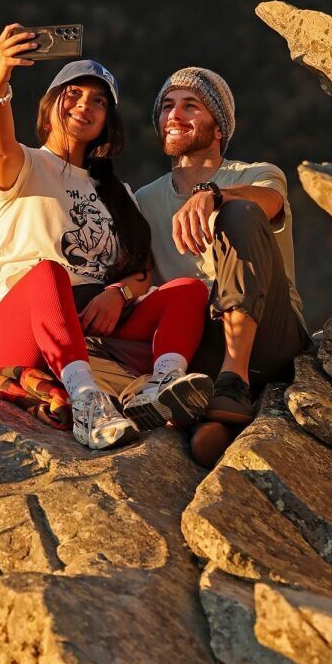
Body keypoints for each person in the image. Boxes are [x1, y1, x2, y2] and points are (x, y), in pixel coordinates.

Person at [0, 26, 213, 450]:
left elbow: (141, 272)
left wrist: (119, 295)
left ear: (107, 120)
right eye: (72, 95)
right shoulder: (26, 165)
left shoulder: (118, 192)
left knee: (188, 291)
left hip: (90, 327)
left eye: (98, 101)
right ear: (50, 106)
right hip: (16, 328)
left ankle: (162, 388)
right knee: (48, 273)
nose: (85, 106)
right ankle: (86, 402)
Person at [134, 67, 309, 461]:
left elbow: (270, 204)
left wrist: (214, 194)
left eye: (190, 106)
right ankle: (215, 421)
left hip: (271, 333)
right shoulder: (144, 201)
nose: (174, 116)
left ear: (218, 128)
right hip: (198, 344)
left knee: (241, 213)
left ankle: (233, 379)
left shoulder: (257, 175)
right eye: (167, 107)